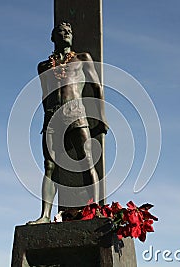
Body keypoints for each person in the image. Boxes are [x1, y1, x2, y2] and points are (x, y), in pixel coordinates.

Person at [28, 22, 108, 224]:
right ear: (52, 37)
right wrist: (46, 119)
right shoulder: (44, 66)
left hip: (76, 113)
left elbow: (96, 87)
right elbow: (45, 94)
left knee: (86, 161)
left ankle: (95, 209)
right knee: (49, 166)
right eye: (61, 32)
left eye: (69, 32)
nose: (66, 34)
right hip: (53, 116)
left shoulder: (82, 58)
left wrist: (101, 116)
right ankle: (45, 215)